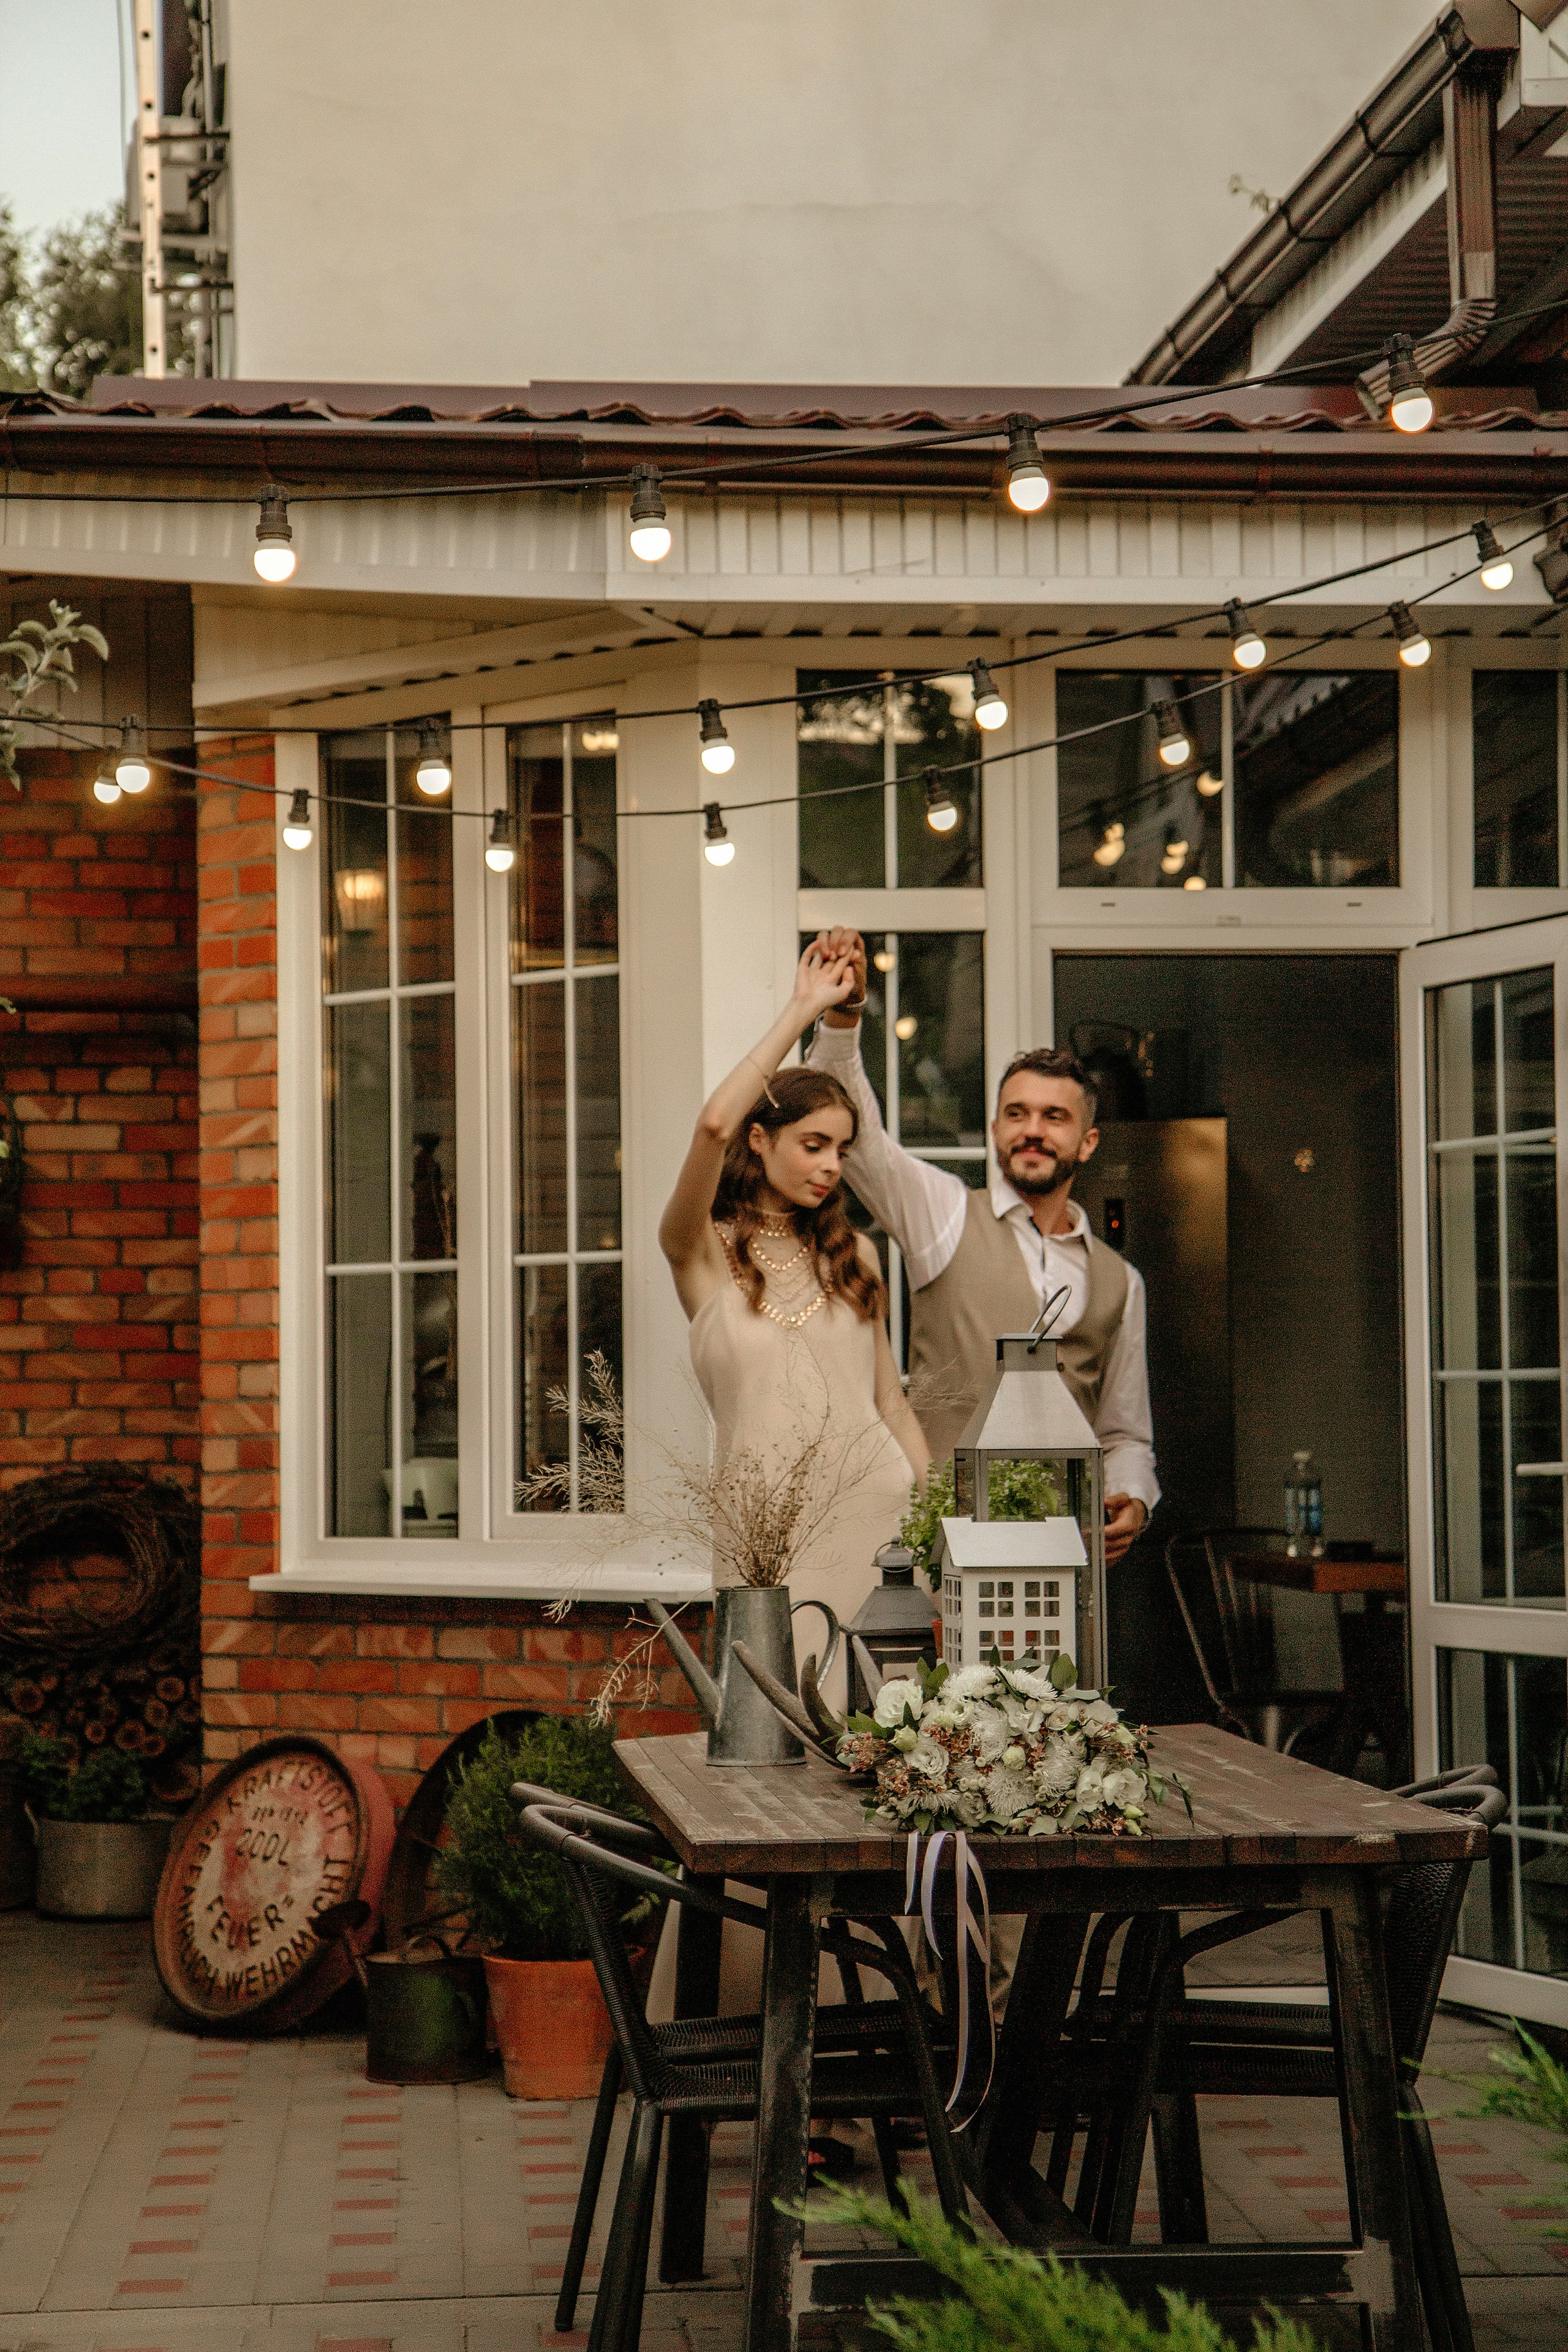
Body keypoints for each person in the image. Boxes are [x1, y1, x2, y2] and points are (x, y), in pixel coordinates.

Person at [805, 928, 1157, 1564]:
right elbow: (857, 1137)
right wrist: (843, 1016)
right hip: (941, 1548)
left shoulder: (1119, 1280)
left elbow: (1123, 1428)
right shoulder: (943, 1215)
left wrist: (1133, 1495)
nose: (1032, 1131)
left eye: (1054, 1118)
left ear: (1088, 1142)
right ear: (994, 1128)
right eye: (1016, 1114)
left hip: (1061, 1557)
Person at [658, 938, 929, 1675]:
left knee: (890, 1732)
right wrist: (803, 1009)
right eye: (812, 1144)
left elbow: (891, 1406)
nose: (830, 1167)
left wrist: (942, 1523)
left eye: (841, 1151)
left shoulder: (856, 1260)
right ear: (760, 1137)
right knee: (772, 1736)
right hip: (764, 1541)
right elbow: (711, 1124)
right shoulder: (701, 1252)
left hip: (879, 1520)